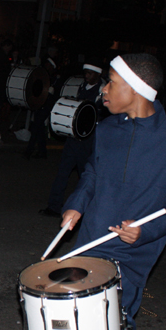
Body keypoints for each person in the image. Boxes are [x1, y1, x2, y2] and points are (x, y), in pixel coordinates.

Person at [8, 53, 166, 330]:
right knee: (99, 323)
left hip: (135, 249)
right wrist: (75, 206)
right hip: (93, 239)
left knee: (102, 320)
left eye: (111, 82)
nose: (104, 90)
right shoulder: (108, 129)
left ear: (137, 88)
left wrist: (144, 232)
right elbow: (93, 174)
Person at [41, 62, 105, 216]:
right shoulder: (81, 87)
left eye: (90, 73)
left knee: (86, 178)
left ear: (98, 74)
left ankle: (88, 210)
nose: (87, 75)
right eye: (86, 72)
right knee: (62, 173)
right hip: (73, 138)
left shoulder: (103, 92)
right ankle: (54, 206)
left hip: (87, 142)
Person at [24, 57, 61, 159]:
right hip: (39, 105)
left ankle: (29, 151)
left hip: (46, 106)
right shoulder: (43, 75)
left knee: (35, 128)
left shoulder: (54, 79)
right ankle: (42, 152)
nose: (46, 66)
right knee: (39, 129)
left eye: (48, 64)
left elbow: (52, 95)